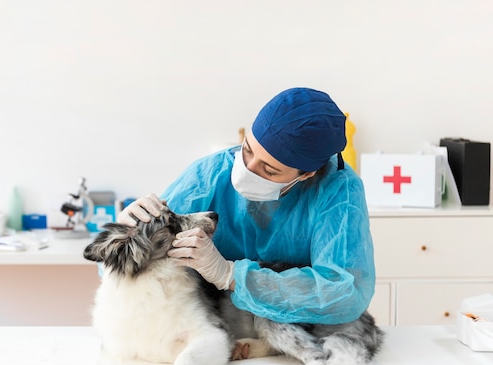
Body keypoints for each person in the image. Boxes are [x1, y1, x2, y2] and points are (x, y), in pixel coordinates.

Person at [117, 87, 375, 325]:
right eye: (248, 150)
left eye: (269, 170)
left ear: (306, 174)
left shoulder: (338, 191)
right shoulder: (208, 175)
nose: (247, 170)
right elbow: (131, 271)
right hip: (207, 325)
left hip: (293, 329)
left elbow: (345, 294)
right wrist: (127, 238)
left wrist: (231, 275)